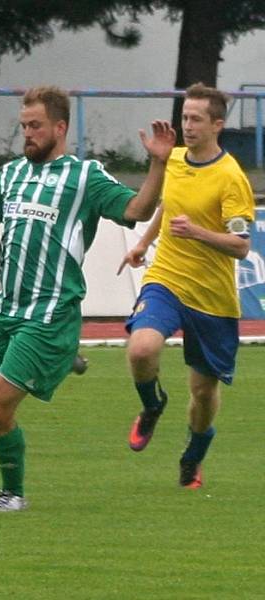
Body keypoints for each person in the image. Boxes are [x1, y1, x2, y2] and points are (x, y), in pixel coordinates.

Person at [0, 86, 176, 512]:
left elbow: (136, 209)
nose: (27, 133)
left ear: (59, 128)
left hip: (48, 315)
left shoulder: (85, 178)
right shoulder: (11, 176)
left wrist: (157, 162)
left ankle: (13, 494)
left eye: (35, 126)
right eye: (23, 125)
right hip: (5, 312)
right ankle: (63, 359)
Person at [118, 83, 255, 489]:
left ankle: (194, 452)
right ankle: (151, 405)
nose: (188, 126)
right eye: (184, 118)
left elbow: (242, 247)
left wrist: (197, 232)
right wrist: (142, 243)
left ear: (218, 124)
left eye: (196, 119)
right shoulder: (174, 160)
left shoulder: (232, 178)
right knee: (142, 348)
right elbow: (168, 205)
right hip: (167, 279)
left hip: (212, 299)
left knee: (203, 395)